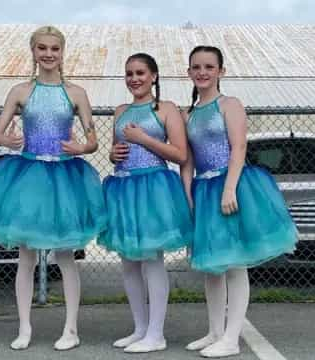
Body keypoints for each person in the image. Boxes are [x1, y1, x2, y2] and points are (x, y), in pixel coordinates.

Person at [0, 25, 107, 351]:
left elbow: (93, 139)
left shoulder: (77, 93)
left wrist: (81, 148)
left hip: (66, 178)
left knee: (65, 255)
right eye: (43, 48)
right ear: (34, 51)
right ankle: (24, 327)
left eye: (55, 48)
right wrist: (6, 140)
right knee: (26, 256)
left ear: (63, 52)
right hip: (28, 174)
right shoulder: (20, 92)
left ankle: (71, 329)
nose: (49, 54)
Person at [180, 45, 298, 358]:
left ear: (221, 71)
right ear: (189, 72)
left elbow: (239, 147)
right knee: (212, 267)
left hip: (231, 186)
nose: (202, 72)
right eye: (196, 67)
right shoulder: (188, 114)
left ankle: (232, 339)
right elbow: (188, 161)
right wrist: (187, 192)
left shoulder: (229, 104)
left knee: (234, 264)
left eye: (209, 66)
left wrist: (230, 188)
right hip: (203, 191)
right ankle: (215, 331)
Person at [98, 53, 192, 353]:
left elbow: (179, 154)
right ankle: (139, 328)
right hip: (123, 188)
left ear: (154, 76)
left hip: (152, 188)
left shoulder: (166, 109)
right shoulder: (120, 110)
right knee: (128, 263)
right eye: (129, 73)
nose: (134, 78)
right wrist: (113, 155)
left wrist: (143, 139)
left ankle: (156, 333)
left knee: (152, 261)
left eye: (140, 72)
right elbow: (116, 149)